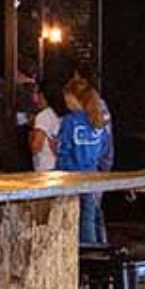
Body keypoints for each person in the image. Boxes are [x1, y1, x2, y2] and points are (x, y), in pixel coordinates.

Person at [57, 77, 113, 244]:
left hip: (72, 174)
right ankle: (100, 247)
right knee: (93, 212)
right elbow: (104, 147)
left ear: (75, 98)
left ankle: (86, 251)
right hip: (92, 173)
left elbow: (64, 149)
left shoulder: (70, 121)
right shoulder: (98, 120)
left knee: (81, 217)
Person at [29, 81, 60, 172]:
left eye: (35, 93)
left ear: (42, 95)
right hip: (56, 164)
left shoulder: (43, 116)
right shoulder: (56, 113)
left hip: (45, 167)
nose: (33, 97)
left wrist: (30, 134)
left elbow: (36, 147)